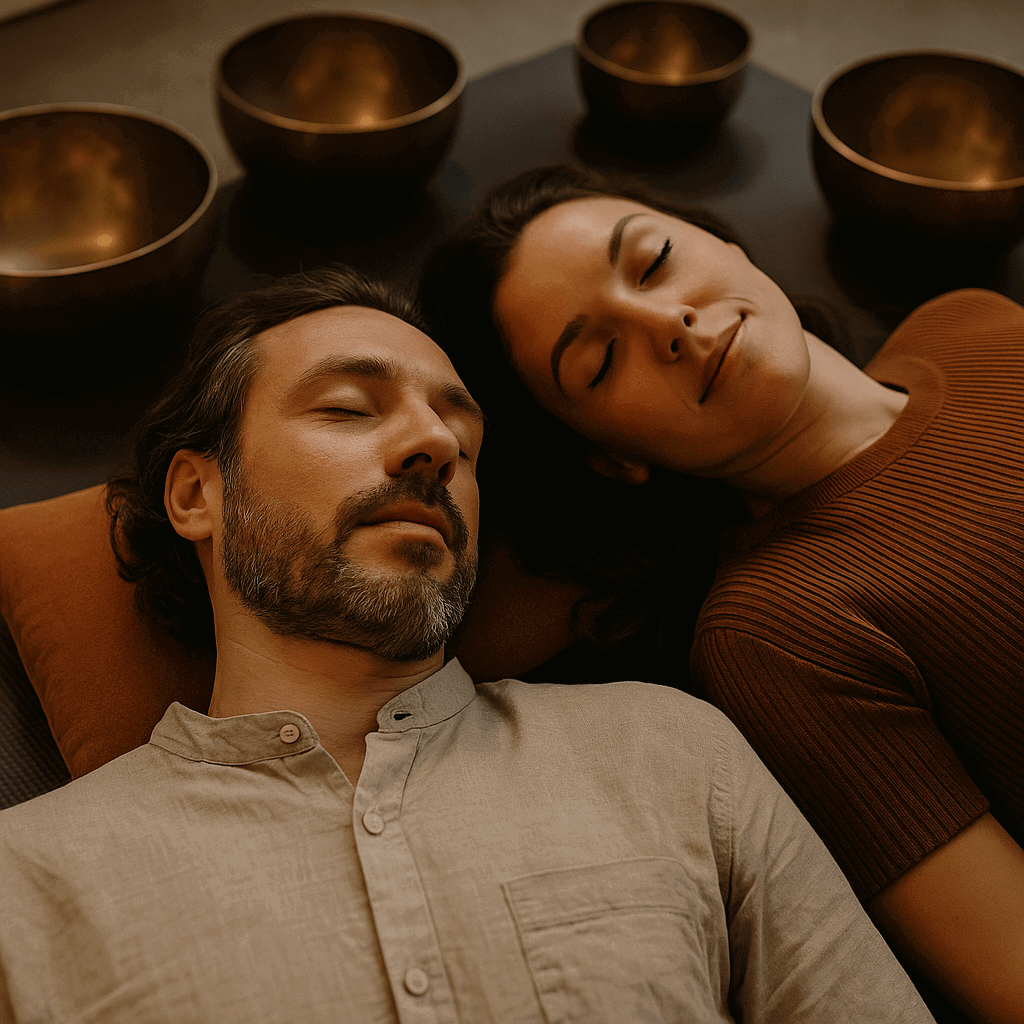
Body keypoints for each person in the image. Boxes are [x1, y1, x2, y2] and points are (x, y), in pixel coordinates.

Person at [0, 265, 932, 1024]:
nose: (432, 444)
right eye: (348, 410)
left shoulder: (672, 755)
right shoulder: (28, 883)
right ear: (196, 496)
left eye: (462, 435)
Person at [417, 164, 1024, 1024]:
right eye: (600, 360)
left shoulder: (971, 322)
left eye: (657, 259)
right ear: (611, 457)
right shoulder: (772, 633)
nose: (670, 324)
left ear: (726, 242)